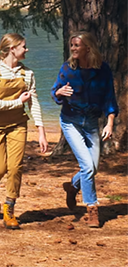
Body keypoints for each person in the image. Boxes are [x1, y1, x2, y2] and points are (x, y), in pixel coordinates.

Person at [0, 33, 48, 230]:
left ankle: (9, 209)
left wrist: (41, 131)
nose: (27, 50)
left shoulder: (28, 74)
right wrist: (18, 102)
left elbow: (34, 103)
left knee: (16, 167)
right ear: (13, 49)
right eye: (24, 47)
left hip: (18, 124)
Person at [52, 33, 118, 228]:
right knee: (88, 167)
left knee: (93, 167)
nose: (73, 49)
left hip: (91, 123)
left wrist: (110, 122)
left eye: (76, 46)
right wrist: (59, 93)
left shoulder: (102, 70)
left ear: (88, 48)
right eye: (71, 45)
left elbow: (109, 97)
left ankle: (73, 186)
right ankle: (92, 209)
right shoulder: (67, 68)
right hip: (70, 122)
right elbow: (55, 91)